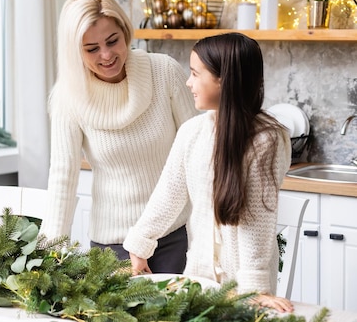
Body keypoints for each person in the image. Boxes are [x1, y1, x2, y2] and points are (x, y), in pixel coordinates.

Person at [123, 32, 294, 313]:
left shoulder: (266, 139)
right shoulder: (192, 132)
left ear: (223, 79)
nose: (188, 83)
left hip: (244, 282)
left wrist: (254, 289)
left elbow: (257, 222)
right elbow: (169, 193)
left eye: (194, 73)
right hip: (199, 272)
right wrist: (140, 244)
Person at [39, 0, 197, 273]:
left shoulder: (163, 72)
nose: (107, 55)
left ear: (125, 32)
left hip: (174, 236)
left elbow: (199, 154)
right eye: (91, 48)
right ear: (75, 51)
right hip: (112, 247)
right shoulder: (67, 97)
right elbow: (63, 176)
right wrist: (48, 257)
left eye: (113, 41)